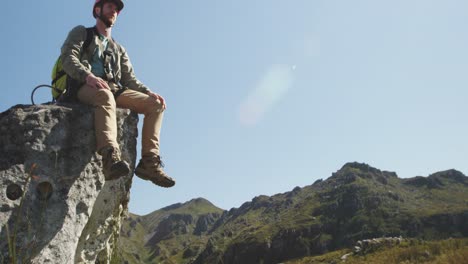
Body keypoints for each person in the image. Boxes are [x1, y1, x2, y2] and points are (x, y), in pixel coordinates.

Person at [60, 0, 175, 187]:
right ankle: (110, 157)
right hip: (83, 87)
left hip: (113, 89)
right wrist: (87, 76)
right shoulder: (83, 32)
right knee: (104, 95)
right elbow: (68, 57)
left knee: (156, 105)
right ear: (97, 10)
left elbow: (130, 80)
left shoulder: (119, 49)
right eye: (109, 7)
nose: (113, 11)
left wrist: (149, 92)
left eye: (116, 9)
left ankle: (149, 163)